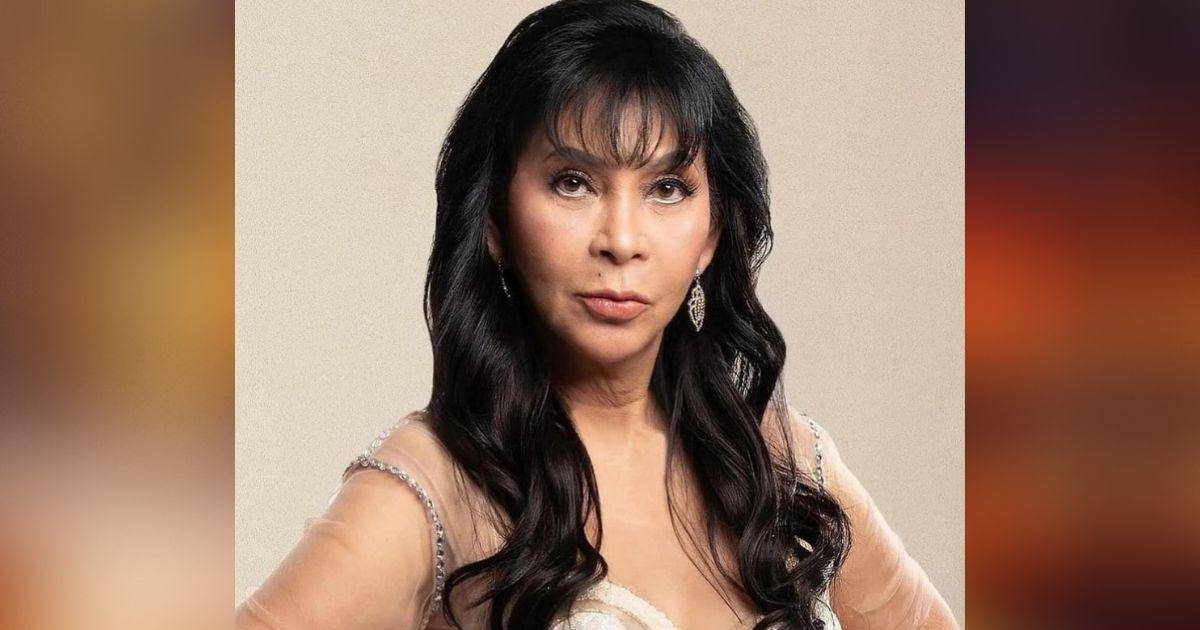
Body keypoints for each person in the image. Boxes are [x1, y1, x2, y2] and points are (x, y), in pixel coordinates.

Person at [235, 1, 959, 628]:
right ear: (495, 219)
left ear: (711, 234)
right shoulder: (439, 482)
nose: (621, 239)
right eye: (573, 182)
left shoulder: (778, 458)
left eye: (667, 189)